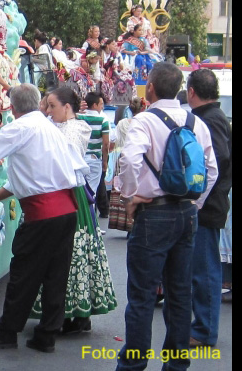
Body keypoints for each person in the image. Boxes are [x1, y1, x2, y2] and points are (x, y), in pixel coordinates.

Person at [116, 62, 218, 371]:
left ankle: (133, 364)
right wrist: (195, 203)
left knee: (143, 295)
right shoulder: (196, 123)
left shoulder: (144, 121)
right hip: (187, 213)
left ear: (151, 88)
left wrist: (131, 195)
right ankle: (176, 365)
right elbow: (211, 171)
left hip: (153, 214)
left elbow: (131, 159)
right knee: (179, 293)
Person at [0, 84, 88, 353]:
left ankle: (7, 330)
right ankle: (47, 334)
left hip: (43, 212)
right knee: (56, 274)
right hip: (66, 209)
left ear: (13, 107)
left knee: (24, 273)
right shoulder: (47, 127)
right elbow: (29, 175)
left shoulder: (22, 128)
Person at [43, 87, 117, 333]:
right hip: (58, 192)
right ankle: (63, 312)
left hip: (71, 194)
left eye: (52, 106)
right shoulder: (53, 125)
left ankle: (74, 312)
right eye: (46, 106)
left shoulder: (78, 127)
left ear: (67, 107)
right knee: (62, 253)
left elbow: (66, 156)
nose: (48, 111)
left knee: (74, 253)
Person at [186, 69, 231, 348]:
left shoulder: (210, 120)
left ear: (192, 92)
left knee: (204, 270)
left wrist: (198, 196)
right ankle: (202, 326)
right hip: (210, 203)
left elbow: (218, 160)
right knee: (201, 269)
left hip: (208, 205)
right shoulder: (216, 117)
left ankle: (204, 330)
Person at [78, 92, 110, 218]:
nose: (102, 106)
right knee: (91, 194)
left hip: (79, 159)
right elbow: (106, 144)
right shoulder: (103, 120)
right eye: (101, 104)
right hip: (94, 160)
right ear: (95, 104)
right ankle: (91, 225)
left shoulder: (78, 118)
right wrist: (105, 162)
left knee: (80, 192)